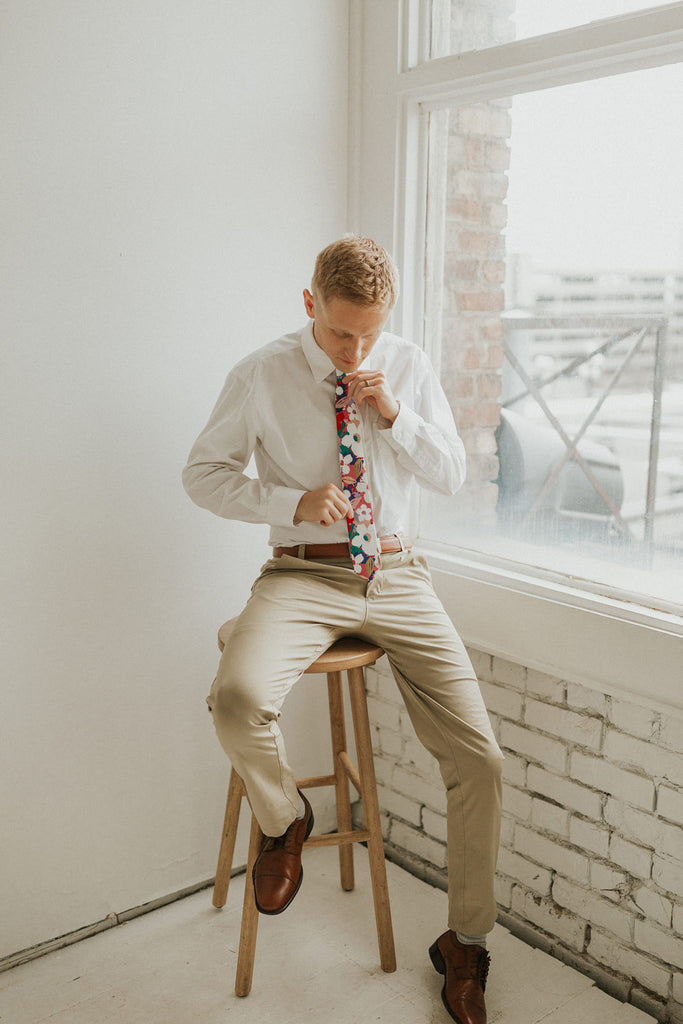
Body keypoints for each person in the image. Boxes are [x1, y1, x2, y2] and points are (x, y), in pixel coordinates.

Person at [183, 236, 503, 1024]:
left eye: (367, 332)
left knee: (480, 758)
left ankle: (463, 942)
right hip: (303, 573)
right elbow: (204, 473)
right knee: (235, 698)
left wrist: (394, 415)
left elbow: (453, 474)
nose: (353, 348)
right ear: (308, 306)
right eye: (338, 333)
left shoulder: (404, 362)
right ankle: (285, 818)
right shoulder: (261, 372)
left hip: (395, 574)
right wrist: (288, 502)